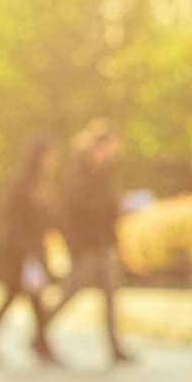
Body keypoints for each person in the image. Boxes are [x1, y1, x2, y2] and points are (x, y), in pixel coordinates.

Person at [45, 120, 136, 365]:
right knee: (71, 290)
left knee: (110, 292)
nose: (111, 154)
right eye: (109, 148)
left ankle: (115, 347)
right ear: (98, 145)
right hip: (85, 244)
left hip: (102, 243)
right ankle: (40, 330)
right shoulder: (77, 171)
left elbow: (105, 208)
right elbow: (73, 209)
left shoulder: (104, 172)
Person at [0, 140, 62, 366]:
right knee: (18, 298)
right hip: (20, 252)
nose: (53, 163)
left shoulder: (38, 182)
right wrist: (27, 253)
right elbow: (15, 219)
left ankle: (39, 344)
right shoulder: (23, 183)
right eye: (50, 157)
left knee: (31, 300)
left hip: (29, 251)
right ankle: (38, 345)